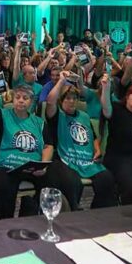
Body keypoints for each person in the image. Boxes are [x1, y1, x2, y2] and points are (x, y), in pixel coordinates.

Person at [0, 84, 72, 220]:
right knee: (4, 187)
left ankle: (34, 214)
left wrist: (43, 165)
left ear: (31, 101)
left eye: (25, 98)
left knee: (54, 179)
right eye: (17, 97)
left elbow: (48, 146)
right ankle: (4, 223)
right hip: (6, 165)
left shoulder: (39, 122)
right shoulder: (2, 115)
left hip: (33, 166)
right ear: (13, 100)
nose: (21, 100)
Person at [46, 74, 117, 209]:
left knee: (106, 178)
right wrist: (61, 81)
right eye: (68, 98)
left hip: (86, 160)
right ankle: (74, 210)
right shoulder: (57, 115)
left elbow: (93, 137)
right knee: (72, 181)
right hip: (65, 159)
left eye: (75, 98)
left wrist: (97, 149)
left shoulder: (84, 116)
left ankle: (98, 212)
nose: (72, 101)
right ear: (61, 100)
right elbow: (50, 101)